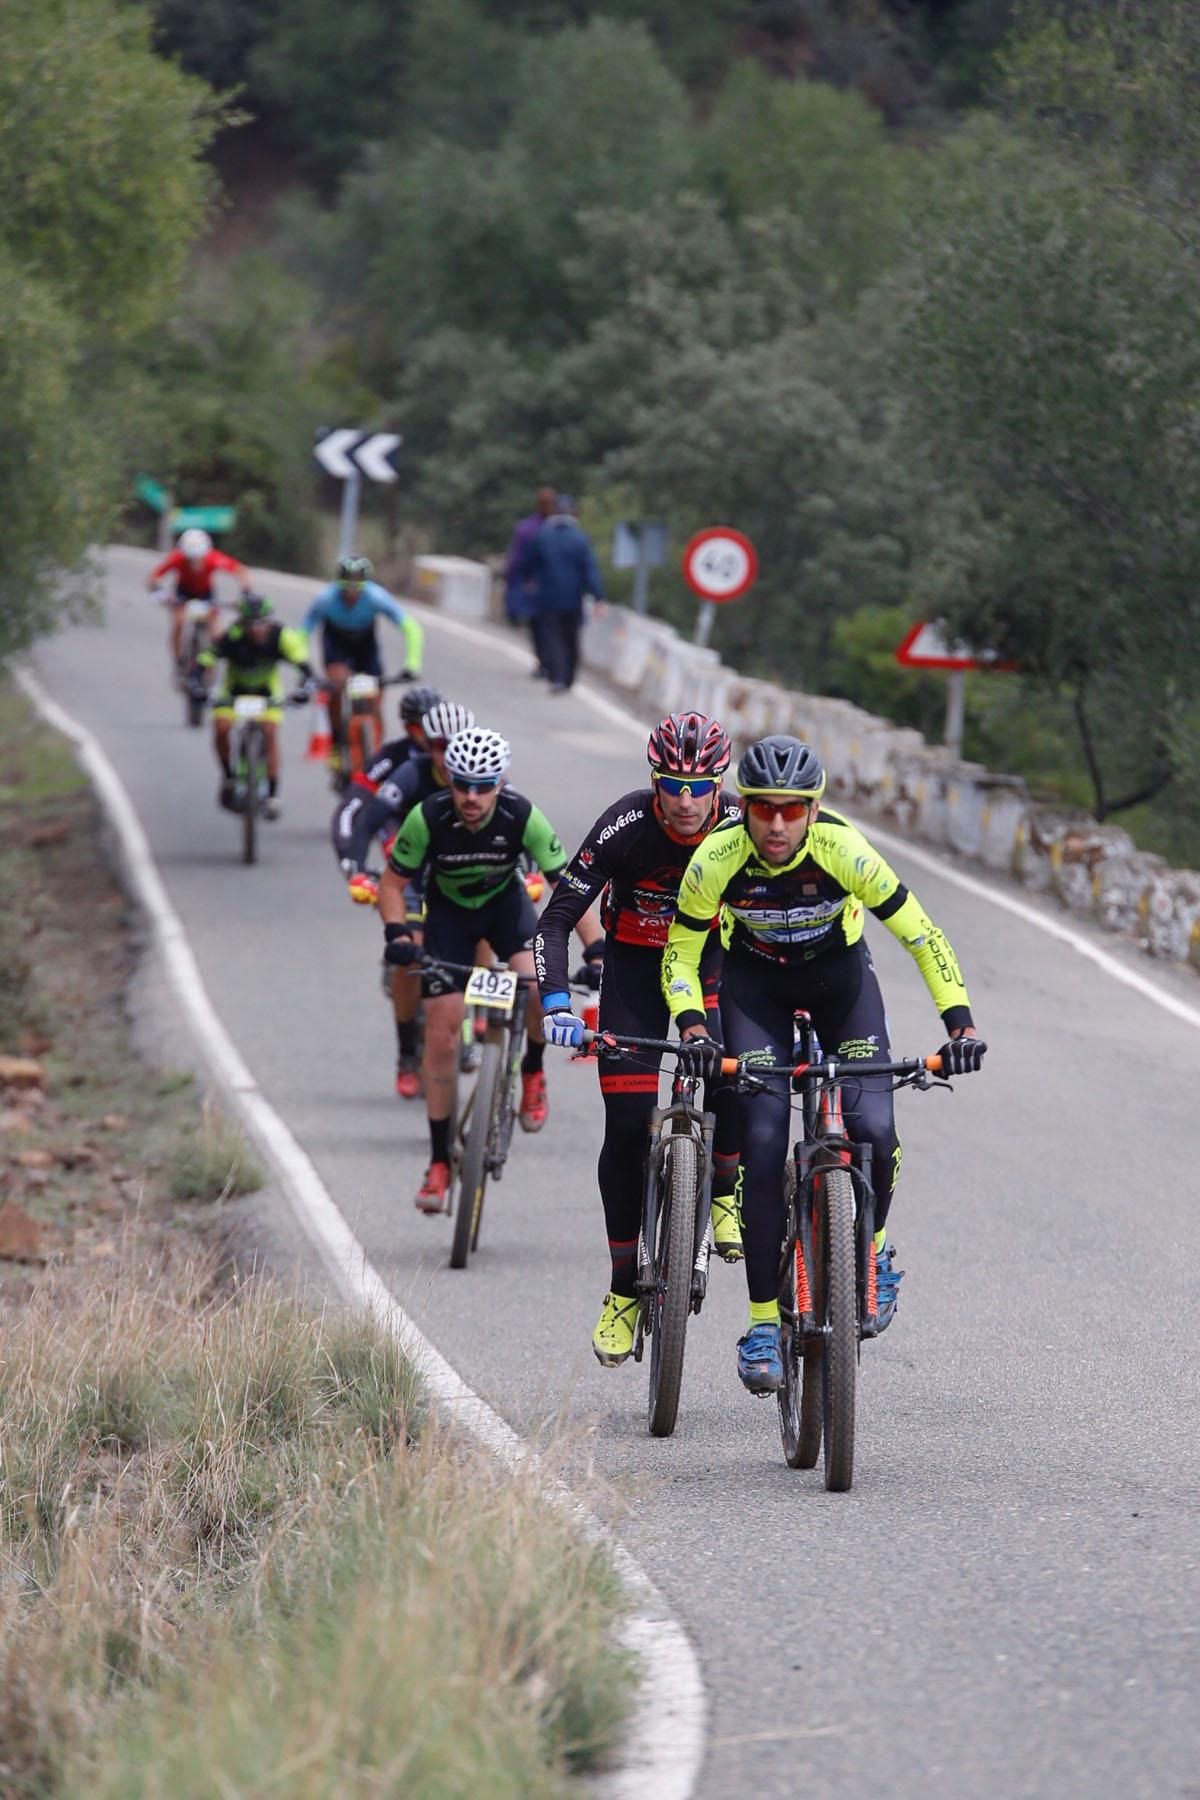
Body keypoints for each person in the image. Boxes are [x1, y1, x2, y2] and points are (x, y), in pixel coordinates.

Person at [662, 735, 987, 1395]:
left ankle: (872, 1250)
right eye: (763, 810)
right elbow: (680, 953)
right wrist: (694, 1024)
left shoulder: (846, 852)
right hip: (756, 992)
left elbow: (922, 933)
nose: (777, 825)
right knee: (757, 1137)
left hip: (841, 987)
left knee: (874, 1127)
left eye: (792, 810)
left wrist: (960, 1023)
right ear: (743, 807)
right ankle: (759, 1325)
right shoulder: (715, 860)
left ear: (814, 809)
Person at [534, 712, 747, 1369]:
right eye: (671, 784)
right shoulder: (627, 824)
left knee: (736, 1068)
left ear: (720, 783)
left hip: (713, 969)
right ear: (654, 781)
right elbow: (556, 920)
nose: (685, 801)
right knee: (627, 1127)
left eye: (699, 786)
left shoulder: (745, 827)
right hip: (634, 973)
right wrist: (557, 1005)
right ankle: (625, 1286)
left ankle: (723, 1189)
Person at [378, 726, 600, 1214]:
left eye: (484, 785)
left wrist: (596, 947)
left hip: (506, 910)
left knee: (543, 988)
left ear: (501, 783)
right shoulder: (427, 817)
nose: (472, 796)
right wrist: (397, 933)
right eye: (462, 784)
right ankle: (439, 1162)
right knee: (441, 1033)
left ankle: (534, 1069)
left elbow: (570, 886)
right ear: (449, 781)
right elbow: (392, 885)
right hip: (449, 919)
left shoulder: (522, 815)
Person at [339, 697, 475, 1100]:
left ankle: (477, 1015)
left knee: (486, 932)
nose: (449, 755)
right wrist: (356, 867)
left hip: (464, 873)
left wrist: (531, 873)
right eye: (439, 746)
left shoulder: (483, 772)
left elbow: (520, 824)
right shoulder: (410, 773)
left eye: (457, 744)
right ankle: (404, 1053)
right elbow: (368, 818)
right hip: (413, 873)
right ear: (425, 746)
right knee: (409, 953)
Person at [303, 555, 425, 770]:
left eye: (356, 590)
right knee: (337, 686)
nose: (351, 595)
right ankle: (336, 743)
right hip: (336, 643)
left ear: (365, 585)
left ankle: (374, 750)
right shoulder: (325, 599)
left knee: (376, 697)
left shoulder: (376, 597)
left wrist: (412, 664)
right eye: (346, 589)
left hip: (365, 647)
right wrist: (303, 666)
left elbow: (411, 629)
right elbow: (302, 633)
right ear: (339, 585)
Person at [198, 595, 313, 818]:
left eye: (261, 622)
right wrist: (196, 682)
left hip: (267, 693)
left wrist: (305, 687)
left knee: (270, 733)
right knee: (221, 728)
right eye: (251, 623)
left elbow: (304, 666)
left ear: (269, 621)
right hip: (234, 691)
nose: (257, 628)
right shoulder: (232, 636)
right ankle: (229, 777)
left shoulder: (282, 636)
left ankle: (272, 794)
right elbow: (207, 657)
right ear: (242, 622)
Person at [518, 495, 604, 695]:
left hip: (548, 597)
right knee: (571, 638)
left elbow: (527, 562)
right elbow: (590, 569)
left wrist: (528, 580)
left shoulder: (543, 535)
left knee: (553, 637)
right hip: (573, 599)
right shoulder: (580, 539)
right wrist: (598, 596)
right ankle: (568, 678)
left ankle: (557, 676)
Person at [148, 527, 251, 669]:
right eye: (190, 560)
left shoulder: (213, 558)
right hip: (183, 592)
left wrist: (246, 592)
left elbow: (240, 570)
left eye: (198, 560)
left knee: (215, 632)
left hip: (206, 593)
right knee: (179, 623)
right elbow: (154, 576)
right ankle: (179, 660)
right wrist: (156, 589)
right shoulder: (176, 558)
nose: (194, 565)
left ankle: (210, 664)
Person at [503, 485, 557, 678]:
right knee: (547, 627)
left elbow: (516, 560)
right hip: (549, 588)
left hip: (534, 586)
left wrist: (512, 583)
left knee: (539, 627)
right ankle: (548, 663)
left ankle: (544, 663)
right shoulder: (559, 529)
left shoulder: (527, 528)